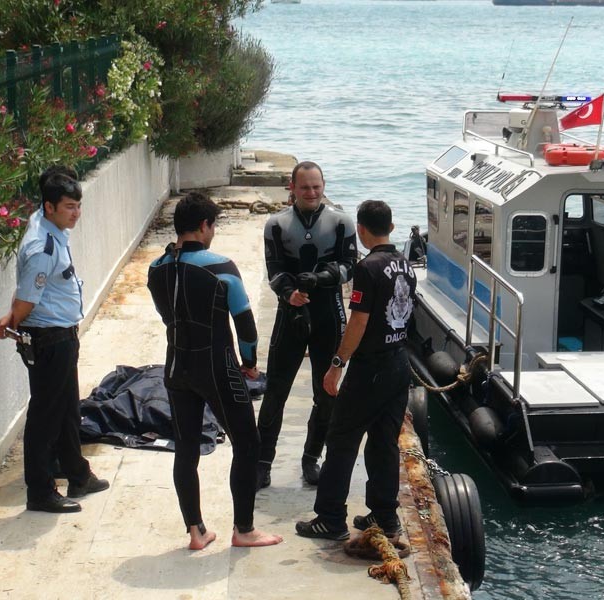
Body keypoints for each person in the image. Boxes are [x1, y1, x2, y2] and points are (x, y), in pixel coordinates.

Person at [147, 192, 283, 550]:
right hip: (217, 368)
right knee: (247, 443)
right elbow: (246, 325)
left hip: (176, 367)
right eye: (213, 227)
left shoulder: (156, 268)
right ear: (205, 226)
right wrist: (249, 364)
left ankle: (196, 531)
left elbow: (168, 315)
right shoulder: (220, 266)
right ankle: (244, 529)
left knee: (186, 448)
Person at [296, 200, 416, 541]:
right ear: (391, 228)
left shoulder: (368, 268)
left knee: (342, 439)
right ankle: (384, 516)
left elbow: (359, 322)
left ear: (361, 230)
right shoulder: (406, 265)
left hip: (371, 368)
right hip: (398, 363)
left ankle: (331, 517)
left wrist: (336, 364)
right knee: (384, 443)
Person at [0, 170, 109, 513]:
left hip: (62, 336)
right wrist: (11, 319)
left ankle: (77, 473)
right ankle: (41, 491)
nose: (77, 213)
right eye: (70, 207)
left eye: (78, 206)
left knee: (68, 410)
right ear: (49, 206)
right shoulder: (42, 246)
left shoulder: (48, 226)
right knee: (46, 415)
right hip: (50, 339)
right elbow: (28, 298)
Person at [257, 161, 357, 487]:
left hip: (329, 313)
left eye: (316, 187)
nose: (312, 193)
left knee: (326, 392)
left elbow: (348, 265)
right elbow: (274, 270)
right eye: (305, 188)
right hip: (291, 315)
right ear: (293, 188)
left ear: (324, 185)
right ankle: (263, 461)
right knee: (275, 392)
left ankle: (312, 457)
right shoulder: (276, 224)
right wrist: (289, 294)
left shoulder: (342, 222)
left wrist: (319, 278)